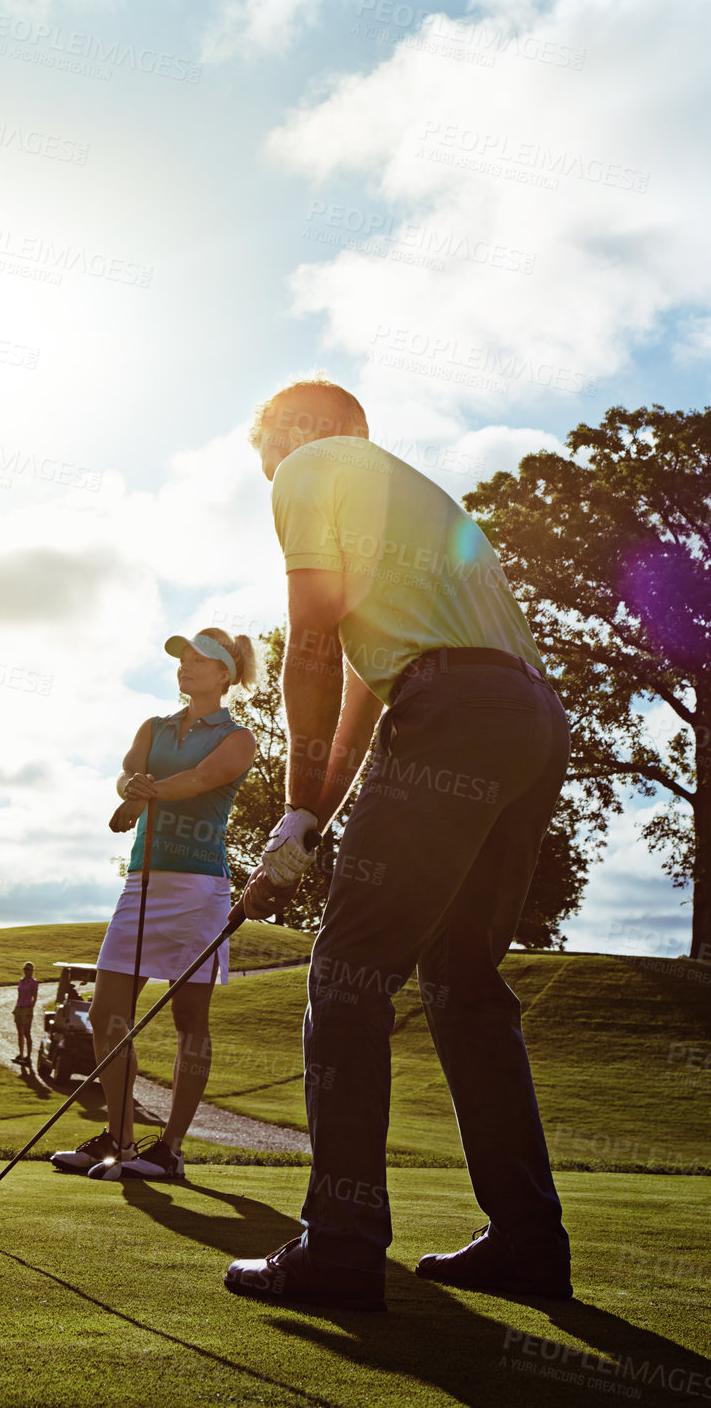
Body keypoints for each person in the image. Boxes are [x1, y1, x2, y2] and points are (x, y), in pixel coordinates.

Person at [223, 376, 572, 1314]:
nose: (269, 476)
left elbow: (308, 643)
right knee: (461, 984)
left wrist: (293, 806)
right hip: (530, 721)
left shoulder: (308, 465)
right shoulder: (410, 497)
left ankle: (339, 1247)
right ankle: (529, 1242)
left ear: (293, 430)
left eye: (267, 454)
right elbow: (366, 701)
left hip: (455, 711)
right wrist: (310, 819)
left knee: (346, 976)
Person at [52, 629, 257, 1182]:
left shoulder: (239, 739)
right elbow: (128, 771)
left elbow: (199, 780)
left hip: (197, 889)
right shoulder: (154, 727)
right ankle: (120, 1138)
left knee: (190, 1019)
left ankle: (168, 1149)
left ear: (225, 675)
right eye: (183, 659)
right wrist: (132, 788)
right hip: (141, 881)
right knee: (106, 1013)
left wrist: (141, 795)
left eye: (201, 660)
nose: (187, 667)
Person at [13, 961, 39, 1066]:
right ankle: (21, 1054)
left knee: (26, 1033)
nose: (27, 971)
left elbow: (35, 997)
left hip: (27, 1008)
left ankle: (28, 1056)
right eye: (25, 969)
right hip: (19, 1007)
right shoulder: (21, 981)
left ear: (32, 971)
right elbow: (19, 996)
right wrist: (16, 1007)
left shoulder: (33, 983)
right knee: (20, 1032)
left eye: (29, 969)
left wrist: (30, 1009)